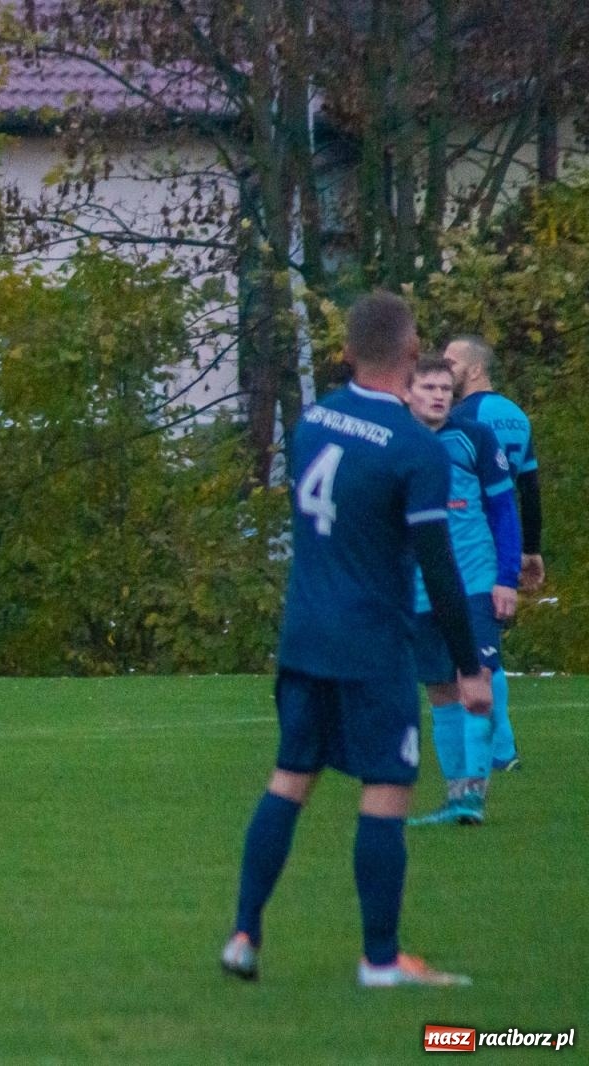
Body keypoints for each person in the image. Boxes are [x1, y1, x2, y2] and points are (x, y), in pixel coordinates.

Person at [218, 293, 492, 988]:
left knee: (290, 778)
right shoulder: (413, 449)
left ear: (346, 352)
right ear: (410, 354)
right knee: (388, 786)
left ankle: (245, 933)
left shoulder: (313, 421)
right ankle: (380, 958)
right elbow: (439, 566)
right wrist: (471, 666)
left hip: (305, 635)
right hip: (372, 645)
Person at [402, 357, 520, 827]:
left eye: (445, 388)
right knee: (440, 690)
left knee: (480, 682)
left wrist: (506, 576)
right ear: (408, 392)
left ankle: (474, 795)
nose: (437, 396)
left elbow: (503, 509)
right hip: (417, 588)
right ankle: (456, 798)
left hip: (472, 579)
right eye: (428, 387)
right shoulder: (397, 444)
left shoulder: (474, 438)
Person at [446, 336, 540, 772]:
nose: (444, 369)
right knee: (486, 647)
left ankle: (500, 747)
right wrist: (530, 549)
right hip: (502, 540)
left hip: (471, 541)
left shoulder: (466, 420)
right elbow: (529, 488)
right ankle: (499, 745)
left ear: (476, 370)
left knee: (476, 651)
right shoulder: (517, 416)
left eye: (452, 361)